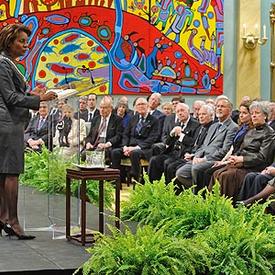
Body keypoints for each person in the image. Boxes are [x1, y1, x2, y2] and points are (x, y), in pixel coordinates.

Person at [0, 24, 57, 240]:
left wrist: (36, 94)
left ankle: (3, 217)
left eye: (26, 41)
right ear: (9, 42)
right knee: (11, 173)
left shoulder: (10, 64)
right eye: (21, 41)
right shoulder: (3, 64)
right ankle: (13, 222)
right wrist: (39, 99)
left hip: (9, 124)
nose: (26, 45)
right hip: (7, 125)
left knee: (4, 173)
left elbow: (17, 92)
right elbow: (11, 98)